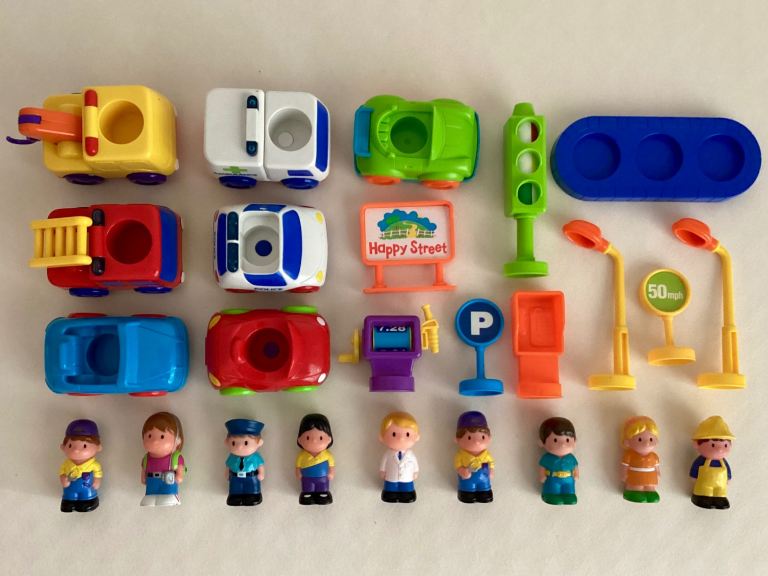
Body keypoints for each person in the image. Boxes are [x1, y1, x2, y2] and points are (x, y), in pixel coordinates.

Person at [140, 412, 186, 507]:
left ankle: (170, 497)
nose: (155, 441)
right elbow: (144, 469)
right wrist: (143, 477)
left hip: (167, 481)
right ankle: (150, 497)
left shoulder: (175, 457)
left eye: (162, 436)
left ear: (177, 441)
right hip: (151, 481)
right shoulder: (146, 458)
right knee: (150, 496)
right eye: (149, 436)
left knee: (167, 496)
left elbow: (180, 468)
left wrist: (179, 476)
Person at [690, 415, 734, 510]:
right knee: (705, 493)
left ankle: (720, 499)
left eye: (725, 445)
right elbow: (695, 469)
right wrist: (693, 477)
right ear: (697, 444)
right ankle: (702, 498)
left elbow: (727, 471)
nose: (720, 449)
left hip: (720, 486)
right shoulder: (701, 460)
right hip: (704, 487)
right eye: (713, 445)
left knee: (720, 493)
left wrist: (728, 478)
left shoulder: (723, 462)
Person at [59, 419, 103, 513]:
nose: (76, 450)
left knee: (86, 498)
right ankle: (69, 502)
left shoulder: (93, 465)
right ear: (63, 447)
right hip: (70, 489)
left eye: (84, 446)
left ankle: (87, 502)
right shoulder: (66, 464)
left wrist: (97, 480)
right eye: (70, 445)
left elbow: (98, 472)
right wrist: (63, 478)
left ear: (98, 447)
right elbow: (62, 472)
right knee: (69, 498)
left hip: (87, 489)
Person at [379, 412, 420, 503]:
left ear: (417, 437)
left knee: (407, 487)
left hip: (407, 478)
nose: (401, 438)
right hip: (391, 477)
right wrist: (382, 471)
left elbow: (415, 463)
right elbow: (384, 462)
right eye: (394, 434)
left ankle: (407, 494)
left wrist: (415, 471)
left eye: (407, 434)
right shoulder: (388, 454)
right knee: (390, 487)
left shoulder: (410, 454)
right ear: (382, 437)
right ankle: (390, 494)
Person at [454, 411, 494, 504]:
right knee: (467, 489)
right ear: (457, 440)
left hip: (484, 477)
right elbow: (458, 465)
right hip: (467, 478)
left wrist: (491, 470)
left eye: (482, 437)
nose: (477, 442)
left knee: (485, 489)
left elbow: (491, 463)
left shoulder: (486, 455)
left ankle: (484, 493)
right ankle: (467, 493)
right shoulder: (460, 455)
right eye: (469, 438)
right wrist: (461, 470)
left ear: (489, 438)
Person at [538, 417, 578, 505]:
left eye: (567, 440)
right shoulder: (547, 458)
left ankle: (569, 495)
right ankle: (551, 495)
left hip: (569, 479)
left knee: (569, 489)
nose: (563, 444)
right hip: (552, 479)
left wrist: (576, 474)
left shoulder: (571, 458)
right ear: (542, 442)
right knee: (553, 488)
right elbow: (542, 467)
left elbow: (575, 466)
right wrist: (542, 475)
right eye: (555, 440)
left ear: (575, 441)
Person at [295, 414, 334, 505]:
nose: (314, 441)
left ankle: (323, 494)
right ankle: (307, 495)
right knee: (307, 489)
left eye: (321, 438)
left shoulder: (327, 455)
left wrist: (331, 473)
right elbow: (298, 466)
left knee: (323, 489)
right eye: (307, 438)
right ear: (299, 440)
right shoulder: (302, 455)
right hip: (307, 478)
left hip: (323, 478)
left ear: (329, 439)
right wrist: (298, 473)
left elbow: (331, 466)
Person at [225, 419, 265, 506]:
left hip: (251, 477)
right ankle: (235, 496)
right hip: (235, 477)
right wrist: (227, 474)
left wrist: (261, 474)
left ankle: (253, 495)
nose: (239, 447)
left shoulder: (255, 457)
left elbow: (260, 465)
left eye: (246, 443)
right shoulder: (232, 457)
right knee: (235, 488)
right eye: (233, 443)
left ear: (259, 443)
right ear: (227, 442)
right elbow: (228, 466)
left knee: (252, 488)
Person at [620, 416, 661, 503]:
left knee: (650, 486)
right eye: (640, 439)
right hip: (635, 476)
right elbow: (625, 466)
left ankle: (650, 493)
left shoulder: (654, 456)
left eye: (651, 439)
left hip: (650, 476)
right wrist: (624, 474)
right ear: (627, 442)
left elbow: (656, 466)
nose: (647, 443)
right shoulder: (630, 455)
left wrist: (658, 472)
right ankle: (633, 492)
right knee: (637, 486)